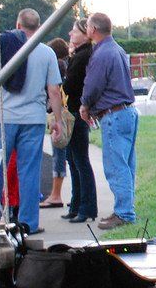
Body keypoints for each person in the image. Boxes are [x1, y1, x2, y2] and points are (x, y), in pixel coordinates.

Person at [0, 9, 64, 234]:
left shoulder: (2, 47)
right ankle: (28, 224)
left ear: (18, 25)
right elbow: (54, 91)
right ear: (39, 27)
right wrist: (57, 120)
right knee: (29, 172)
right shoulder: (47, 53)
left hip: (1, 118)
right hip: (33, 119)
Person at [79, 12, 138, 230]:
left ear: (93, 29)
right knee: (127, 164)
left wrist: (85, 105)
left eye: (87, 26)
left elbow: (93, 85)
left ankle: (124, 213)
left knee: (116, 166)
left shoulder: (102, 53)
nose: (86, 29)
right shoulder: (117, 50)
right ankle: (125, 209)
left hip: (113, 114)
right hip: (127, 112)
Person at [61, 18, 98, 223]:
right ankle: (77, 205)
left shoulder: (83, 56)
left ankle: (86, 207)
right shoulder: (80, 55)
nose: (70, 34)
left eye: (74, 31)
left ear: (85, 34)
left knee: (79, 160)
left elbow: (70, 85)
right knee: (74, 160)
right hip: (74, 111)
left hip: (76, 112)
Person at [40, 37, 70, 208]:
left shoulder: (56, 66)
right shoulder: (68, 65)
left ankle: (56, 194)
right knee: (70, 157)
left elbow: (54, 91)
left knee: (58, 155)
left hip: (58, 114)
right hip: (68, 114)